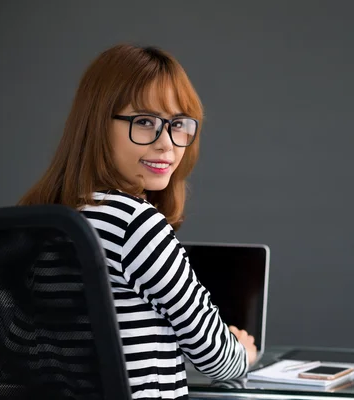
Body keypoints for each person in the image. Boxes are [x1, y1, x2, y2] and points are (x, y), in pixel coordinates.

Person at [19, 43, 257, 399]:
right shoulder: (134, 225)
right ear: (98, 124)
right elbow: (217, 357)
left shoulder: (38, 223)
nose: (168, 145)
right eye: (145, 122)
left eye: (178, 125)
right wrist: (244, 351)